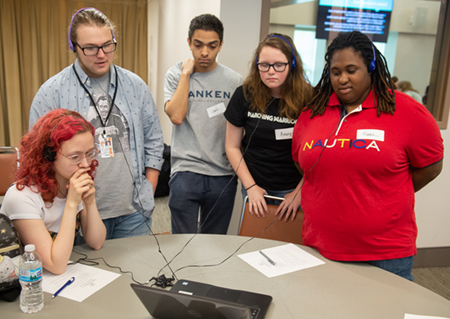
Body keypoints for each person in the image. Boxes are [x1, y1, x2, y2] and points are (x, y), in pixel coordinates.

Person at [292, 31, 443, 280]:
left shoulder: (406, 112)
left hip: (385, 253)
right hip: (320, 246)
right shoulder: (312, 114)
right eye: (336, 71)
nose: (342, 79)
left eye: (352, 70)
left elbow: (431, 167)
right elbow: (302, 164)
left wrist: (387, 191)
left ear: (371, 68)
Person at [29, 8, 164, 240]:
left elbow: (153, 140)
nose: (101, 54)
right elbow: (38, 154)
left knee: (136, 275)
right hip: (76, 215)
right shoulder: (52, 92)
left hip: (133, 212)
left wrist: (148, 190)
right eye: (90, 48)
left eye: (108, 45)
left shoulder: (135, 86)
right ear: (74, 47)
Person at [0, 109, 106, 274]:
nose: (86, 164)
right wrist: (71, 204)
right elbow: (55, 265)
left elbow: (96, 242)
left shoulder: (70, 182)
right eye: (75, 157)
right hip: (23, 284)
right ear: (48, 155)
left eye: (89, 154)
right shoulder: (21, 197)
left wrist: (89, 202)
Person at [164, 14, 243, 234]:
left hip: (222, 174)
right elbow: (177, 116)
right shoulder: (175, 75)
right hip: (185, 171)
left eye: (212, 45)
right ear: (189, 42)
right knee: (182, 244)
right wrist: (185, 75)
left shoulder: (235, 81)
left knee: (214, 245)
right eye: (198, 45)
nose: (205, 52)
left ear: (221, 45)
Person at [224, 34, 311, 220]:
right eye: (264, 65)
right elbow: (232, 146)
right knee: (252, 243)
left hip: (293, 190)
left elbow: (318, 154)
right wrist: (250, 187)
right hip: (255, 187)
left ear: (292, 65)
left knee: (287, 247)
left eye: (279, 65)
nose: (271, 71)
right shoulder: (244, 95)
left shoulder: (309, 98)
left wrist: (299, 192)